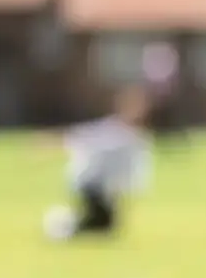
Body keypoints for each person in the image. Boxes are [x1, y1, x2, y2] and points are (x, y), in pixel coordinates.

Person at [43, 86, 154, 240]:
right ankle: (62, 227)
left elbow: (132, 171)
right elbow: (80, 138)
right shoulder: (112, 130)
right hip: (90, 183)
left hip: (104, 188)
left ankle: (67, 227)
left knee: (106, 224)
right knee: (100, 222)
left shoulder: (137, 138)